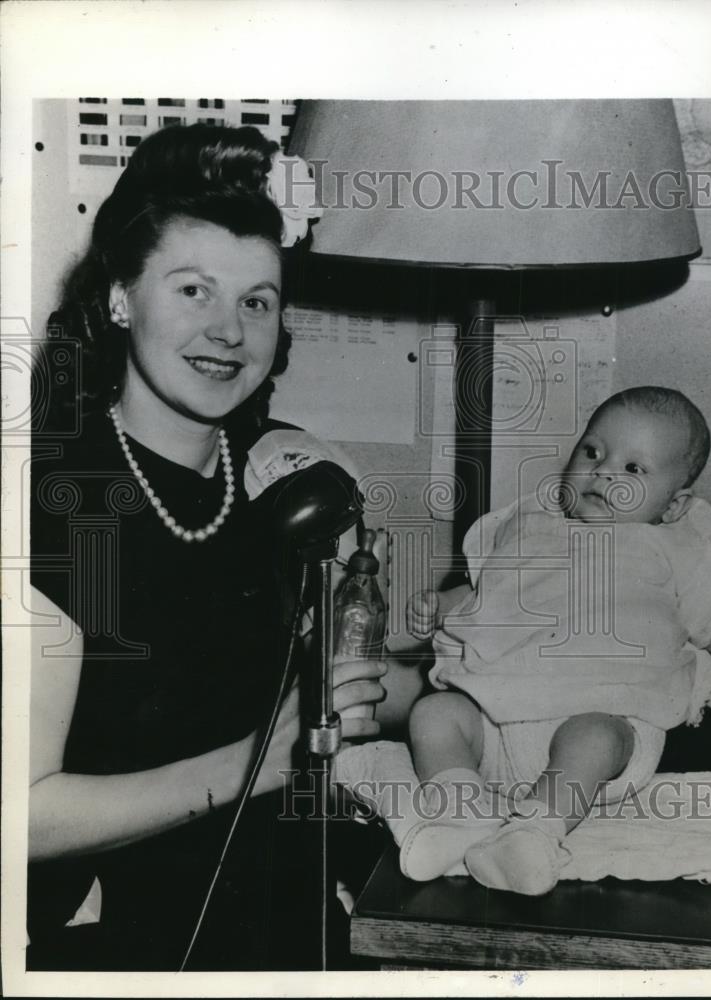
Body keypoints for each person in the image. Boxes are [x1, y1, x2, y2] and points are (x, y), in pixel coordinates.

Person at [27, 123, 395, 971]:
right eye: (194, 291)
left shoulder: (285, 479)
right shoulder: (54, 502)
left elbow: (325, 689)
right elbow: (23, 814)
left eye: (256, 301)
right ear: (121, 298)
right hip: (115, 932)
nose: (229, 330)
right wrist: (265, 760)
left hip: (283, 898)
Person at [399, 386, 711, 893]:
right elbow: (491, 589)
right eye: (593, 451)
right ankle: (463, 816)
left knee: (593, 736)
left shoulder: (676, 545)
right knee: (435, 715)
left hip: (607, 724)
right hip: (495, 723)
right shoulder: (530, 522)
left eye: (634, 469)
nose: (604, 471)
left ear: (675, 504)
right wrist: (441, 606)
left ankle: (535, 835)